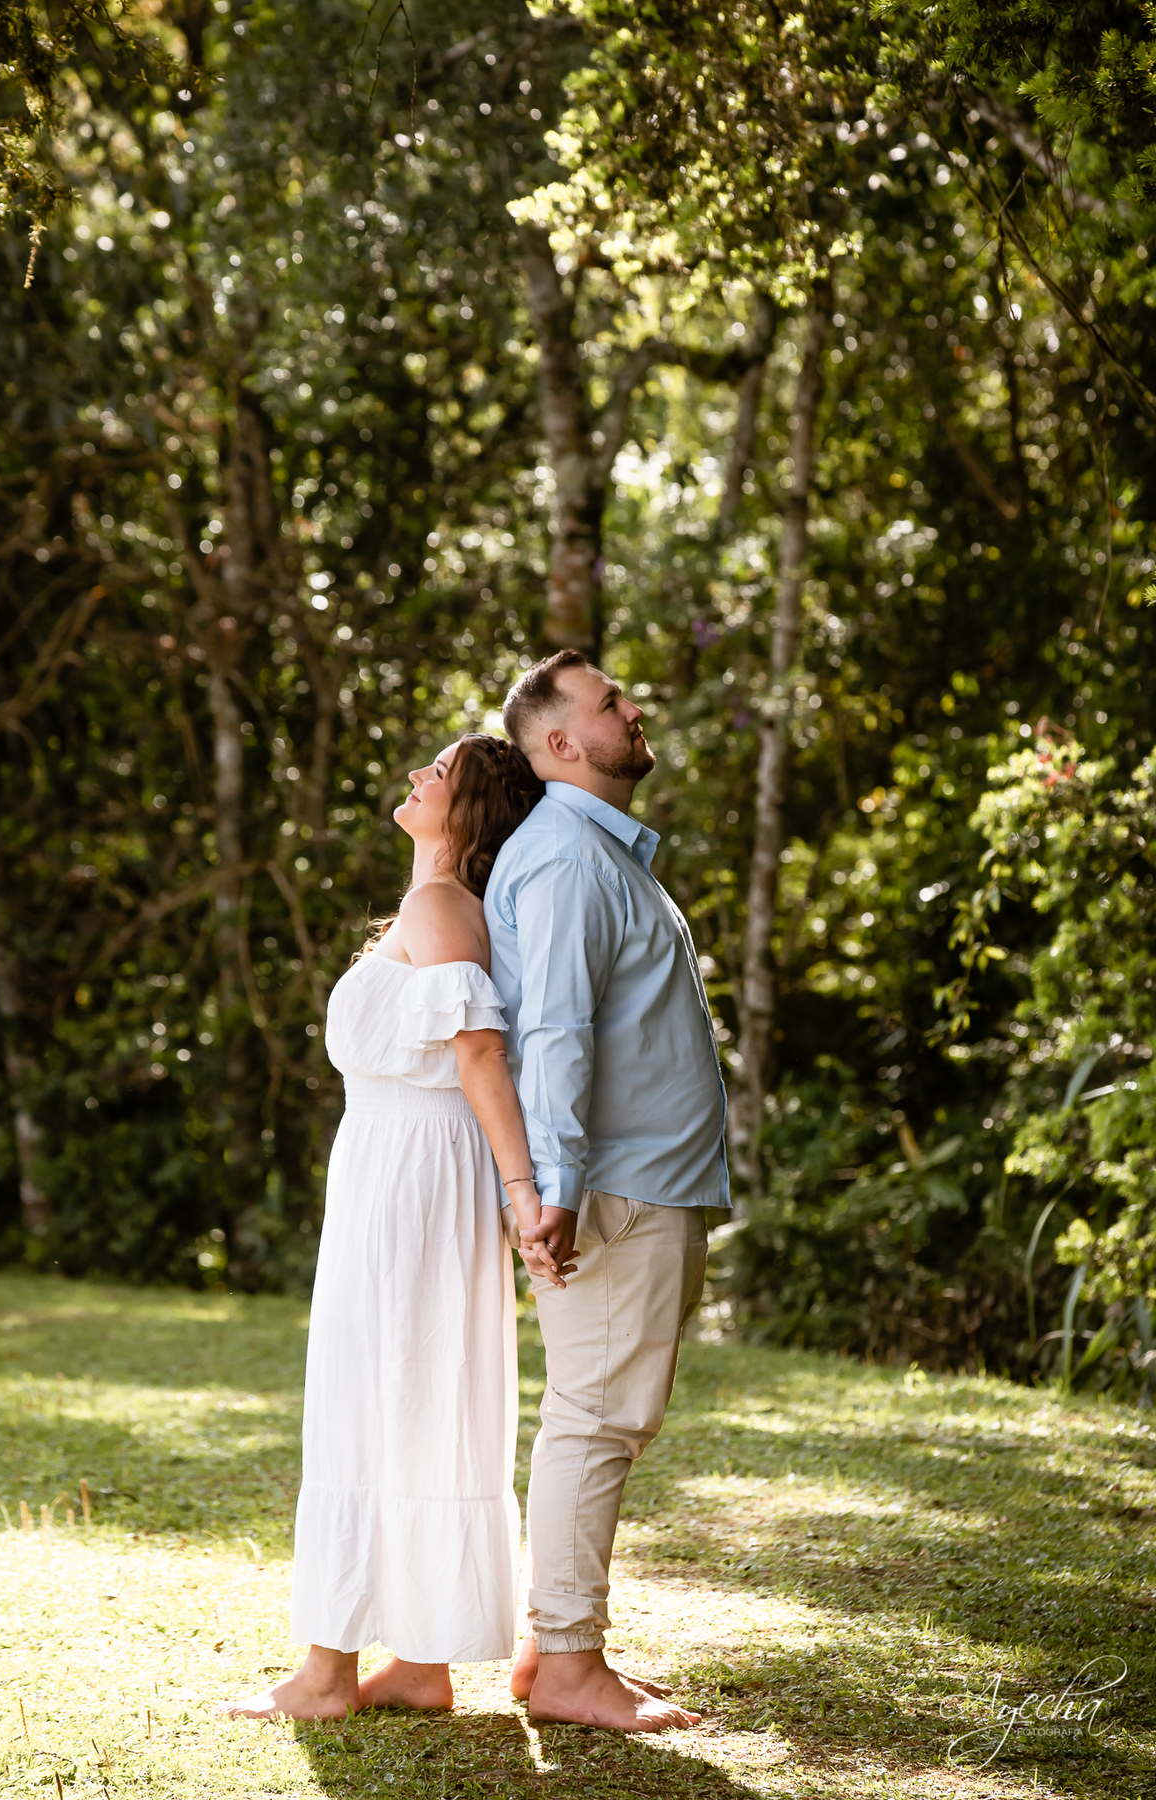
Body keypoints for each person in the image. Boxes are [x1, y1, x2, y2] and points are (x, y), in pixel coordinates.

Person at [221, 732, 558, 1722]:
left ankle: (327, 1677)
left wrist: (520, 1189)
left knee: (376, 1397)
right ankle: (419, 1663)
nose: (417, 775)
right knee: (409, 1395)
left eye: (440, 773)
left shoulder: (441, 907)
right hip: (398, 1171)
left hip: (418, 1178)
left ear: (468, 813)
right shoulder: (434, 907)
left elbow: (481, 1054)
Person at [484, 649, 729, 1734]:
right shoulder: (570, 860)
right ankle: (575, 1665)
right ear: (561, 745)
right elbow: (555, 1034)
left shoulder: (597, 851)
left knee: (599, 1412)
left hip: (636, 1184)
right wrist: (558, 1189)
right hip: (616, 1191)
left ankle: (554, 1646)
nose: (636, 709)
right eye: (610, 702)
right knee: (597, 1416)